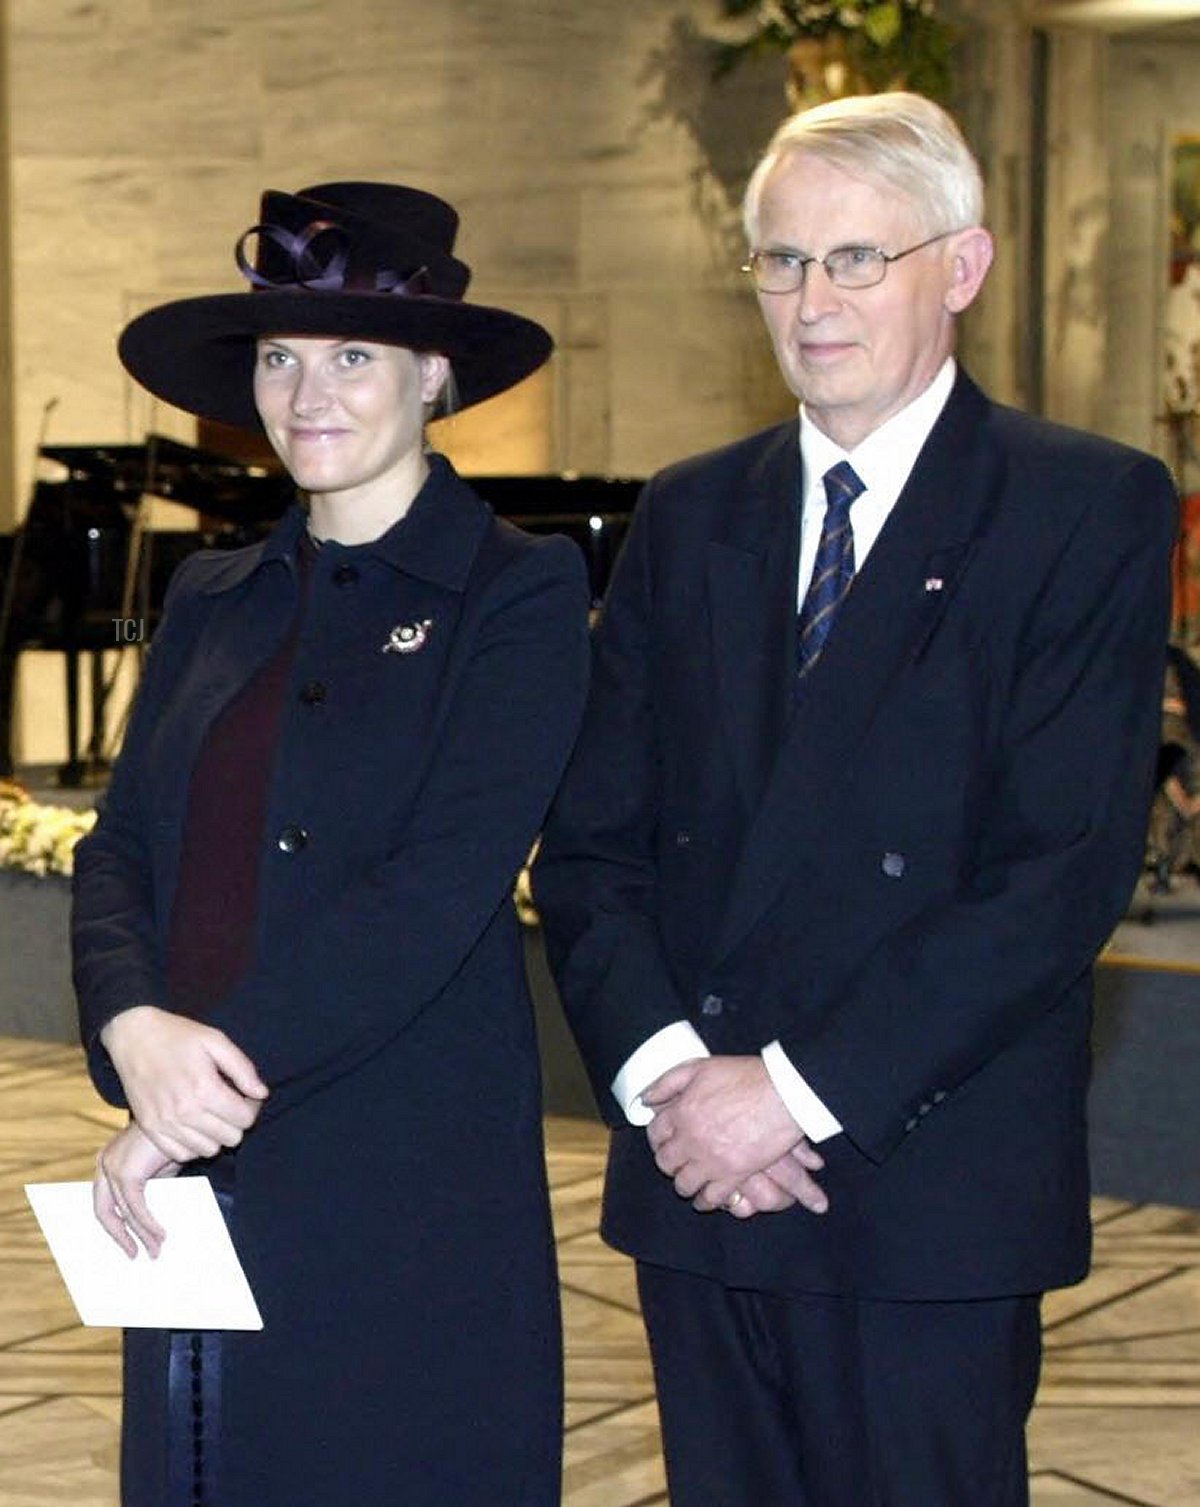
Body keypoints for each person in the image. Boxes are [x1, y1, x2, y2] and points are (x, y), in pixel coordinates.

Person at [533, 92, 1176, 1506]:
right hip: (701, 1176)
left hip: (918, 1184)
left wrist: (793, 1096)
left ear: (961, 268)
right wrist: (672, 1087)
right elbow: (590, 849)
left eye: (856, 259)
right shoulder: (693, 514)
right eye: (781, 261)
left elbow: (1056, 874)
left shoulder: (1082, 508)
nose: (811, 301)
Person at [71, 181, 590, 1507]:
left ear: (432, 375)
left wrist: (203, 1081)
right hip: (189, 1152)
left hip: (398, 1172)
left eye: (354, 354)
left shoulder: (517, 594)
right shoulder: (210, 595)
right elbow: (122, 846)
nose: (311, 391)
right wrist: (134, 1029)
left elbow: (431, 891)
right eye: (283, 355)